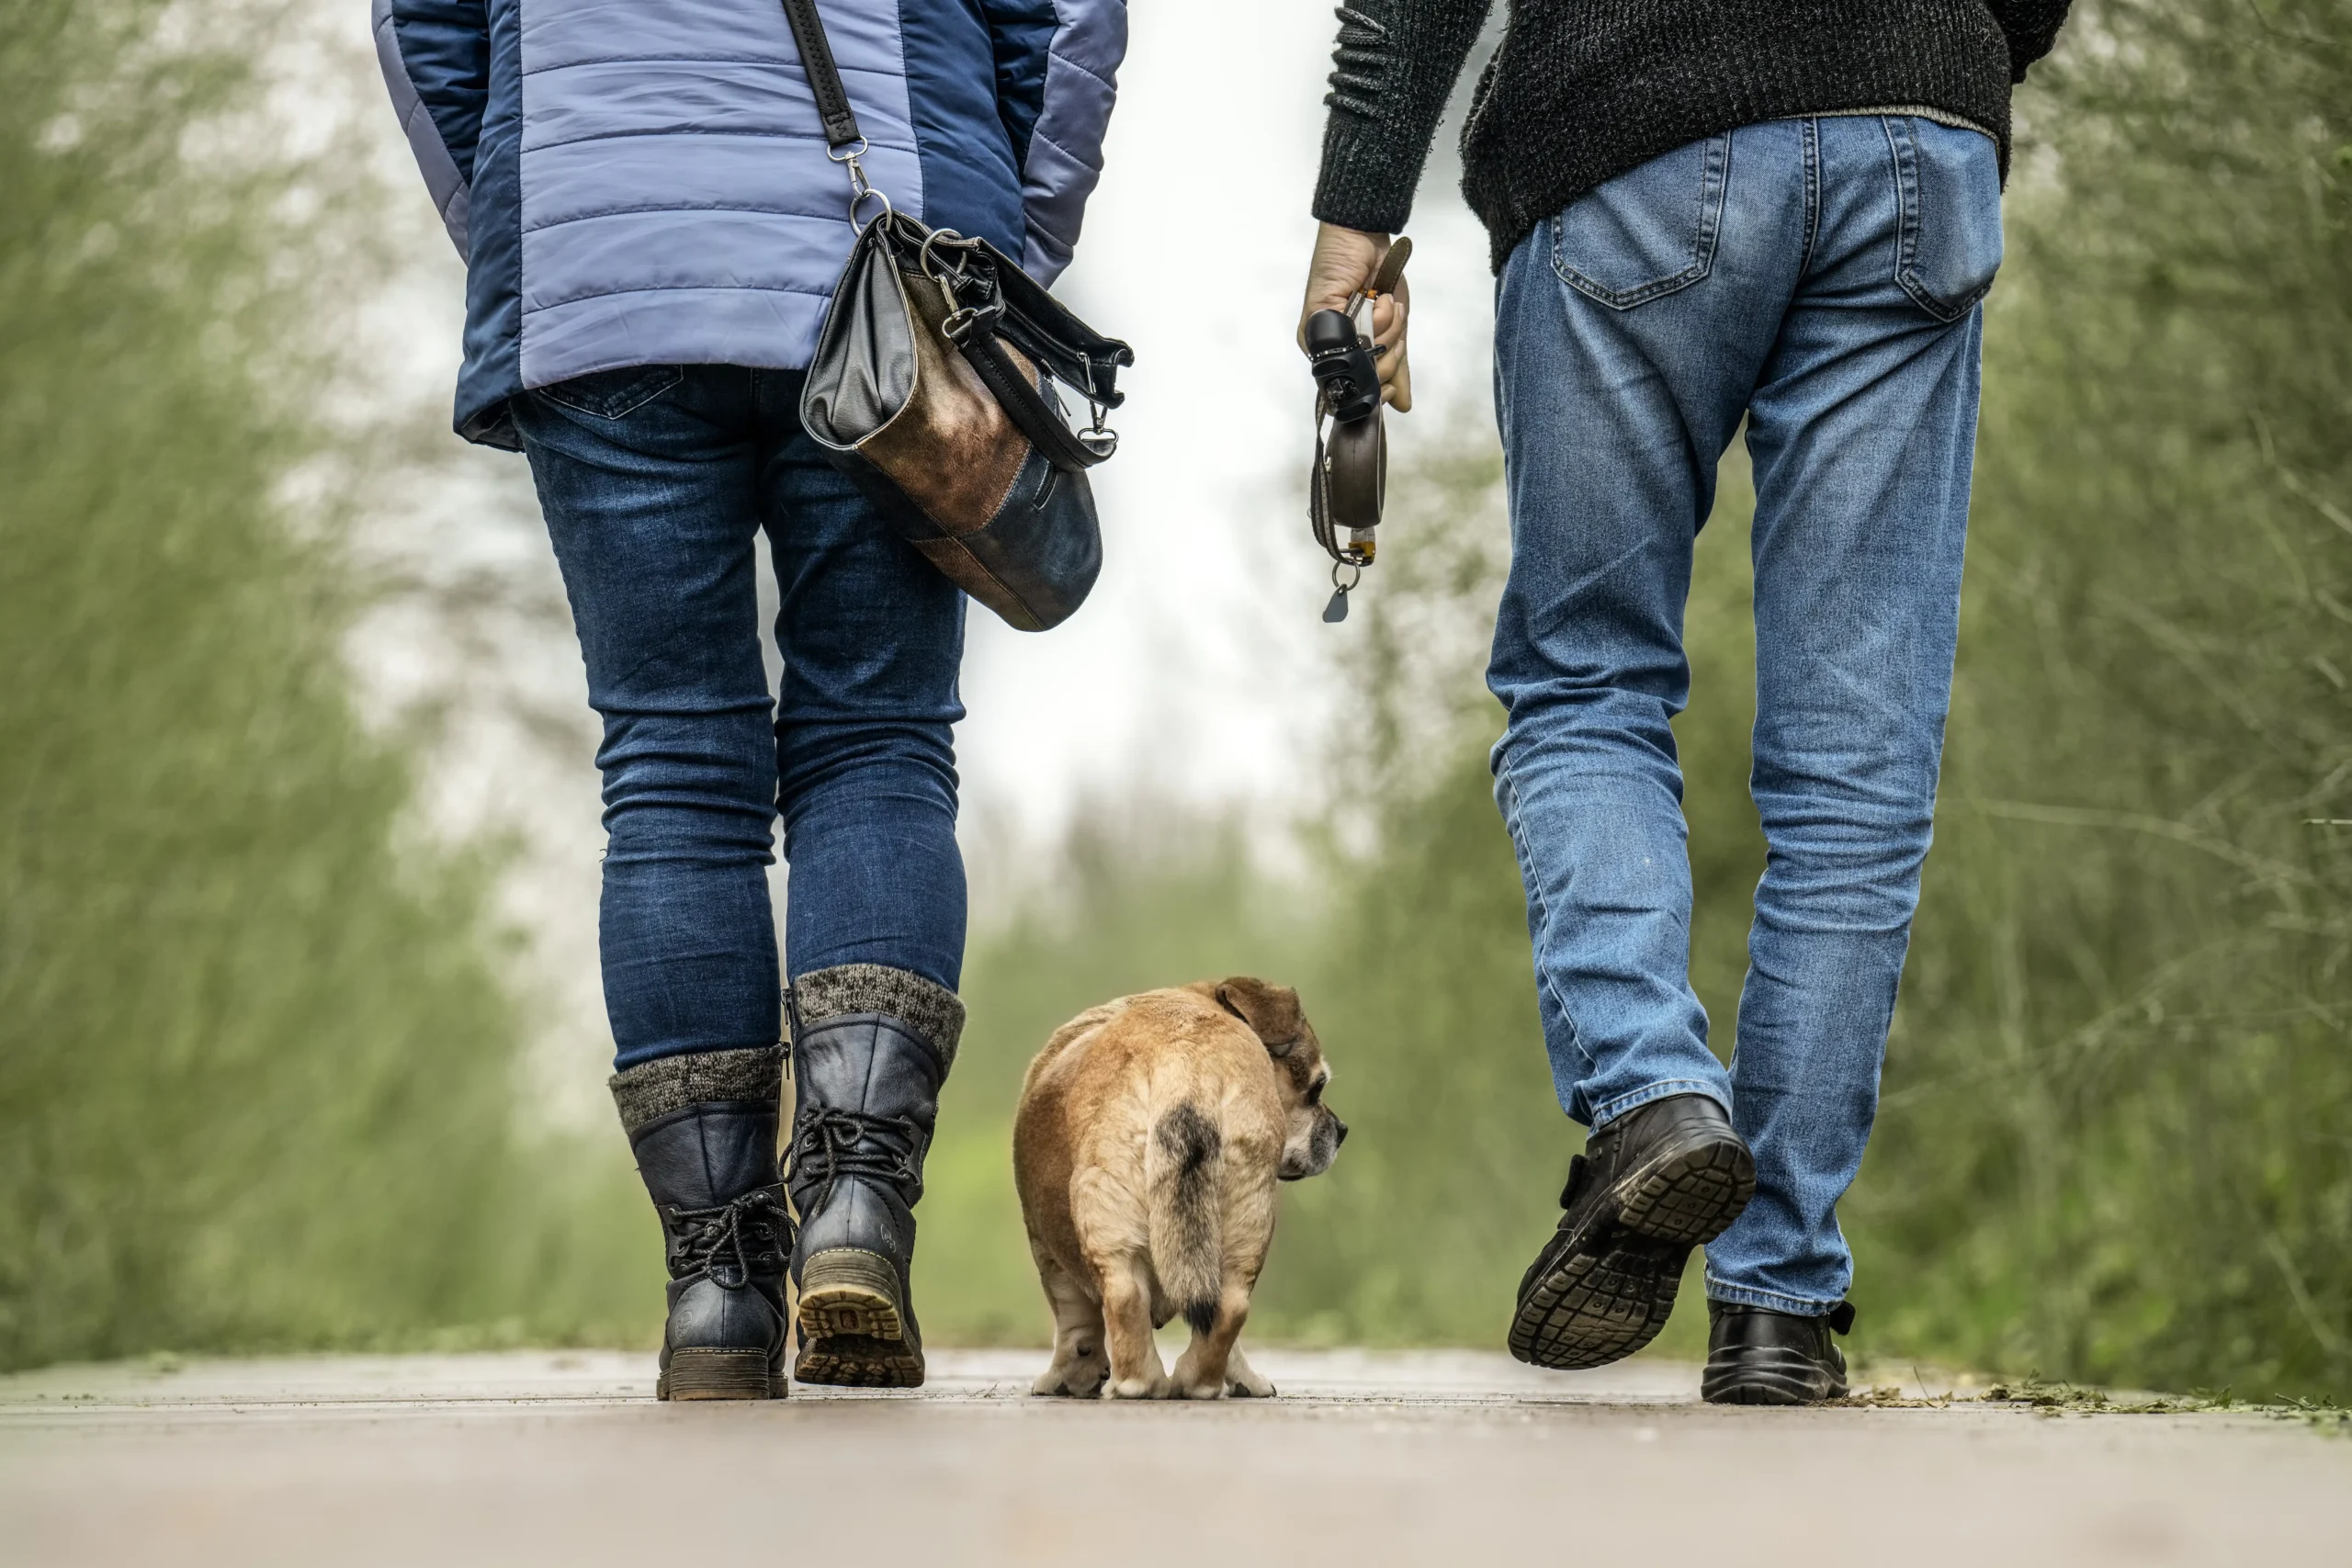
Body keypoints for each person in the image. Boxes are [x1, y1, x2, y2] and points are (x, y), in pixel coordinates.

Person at [1299, 0, 2072, 1403]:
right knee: (1858, 761)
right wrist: (1957, 41)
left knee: (1589, 677)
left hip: (1628, 124)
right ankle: (1779, 1300)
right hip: (1916, 131)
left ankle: (1654, 1096)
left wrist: (1356, 219)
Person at [372, 0, 1126, 1398]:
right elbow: (1067, 19)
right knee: (876, 743)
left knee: (669, 767)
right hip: (880, 260)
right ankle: (852, 1210)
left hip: (595, 259)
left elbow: (424, 28)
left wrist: (538, 228)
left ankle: (718, 1290)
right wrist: (1005, 244)